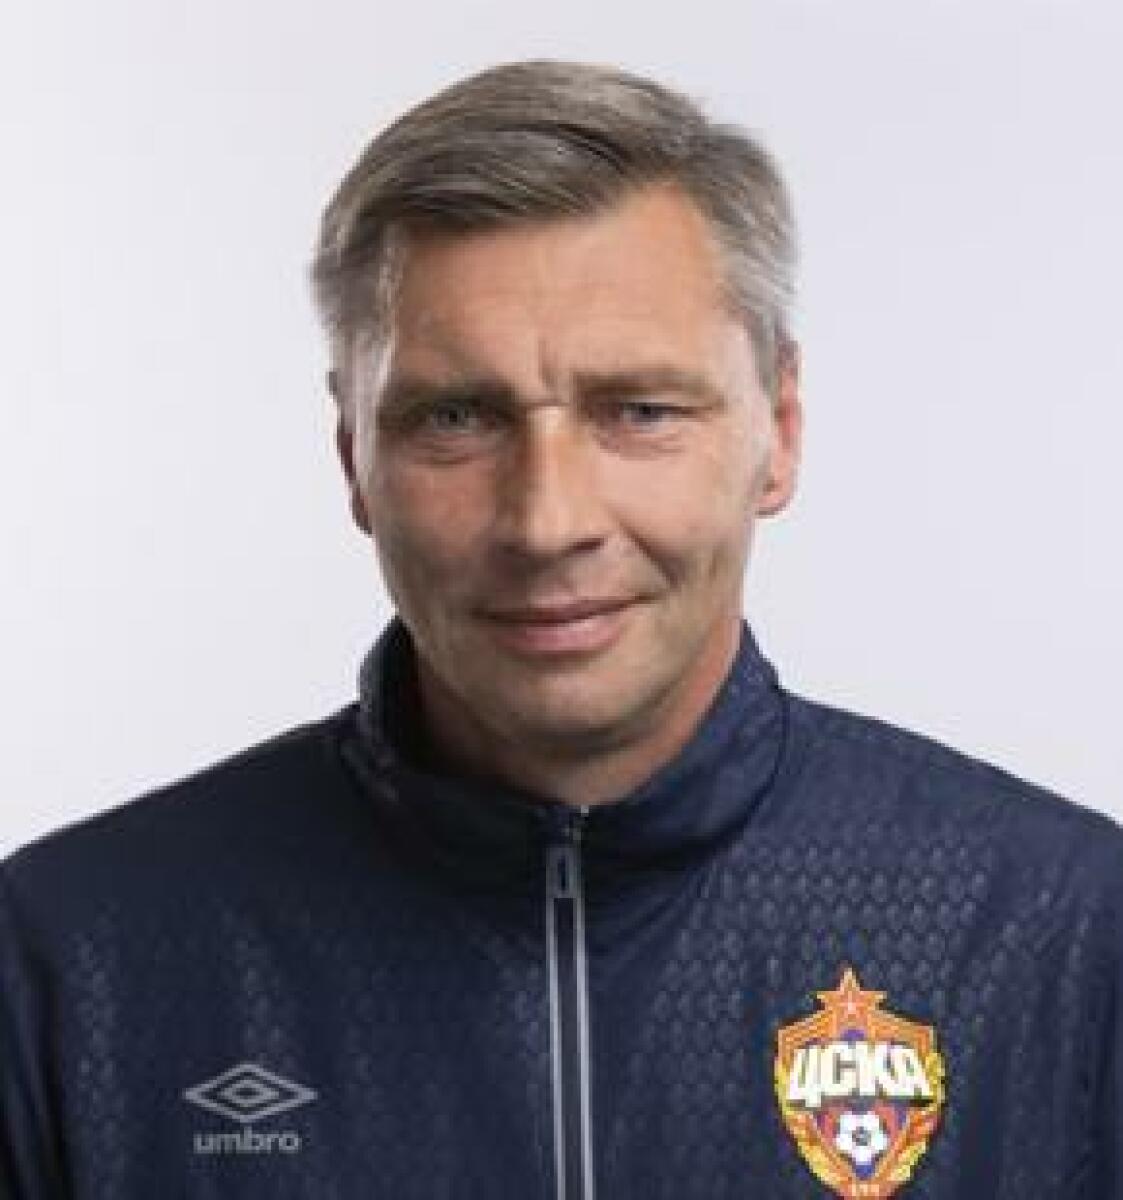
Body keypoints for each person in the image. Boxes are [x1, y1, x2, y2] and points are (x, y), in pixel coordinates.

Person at [1, 58, 1119, 1200]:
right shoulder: (68, 964)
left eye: (639, 410)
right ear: (353, 457)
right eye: (455, 417)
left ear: (778, 431)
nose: (547, 522)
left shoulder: (1064, 934)